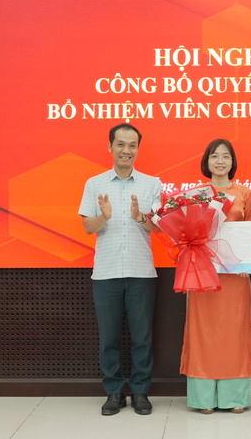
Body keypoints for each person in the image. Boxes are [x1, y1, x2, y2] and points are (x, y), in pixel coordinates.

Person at [79, 123, 162, 416]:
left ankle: (140, 392)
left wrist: (140, 217)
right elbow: (87, 227)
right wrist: (103, 217)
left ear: (138, 148)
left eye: (132, 145)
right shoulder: (94, 183)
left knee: (142, 338)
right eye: (121, 144)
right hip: (106, 273)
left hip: (142, 273)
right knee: (109, 338)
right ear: (110, 147)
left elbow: (158, 227)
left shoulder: (152, 184)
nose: (127, 150)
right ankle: (114, 392)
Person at [180, 139, 251, 414]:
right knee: (204, 332)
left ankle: (234, 396)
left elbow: (250, 229)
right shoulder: (196, 194)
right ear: (207, 161)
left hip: (235, 275)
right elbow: (187, 232)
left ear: (232, 162)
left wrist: (246, 259)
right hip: (202, 273)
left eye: (226, 156)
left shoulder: (245, 193)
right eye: (215, 156)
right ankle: (204, 398)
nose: (221, 161)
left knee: (234, 332)